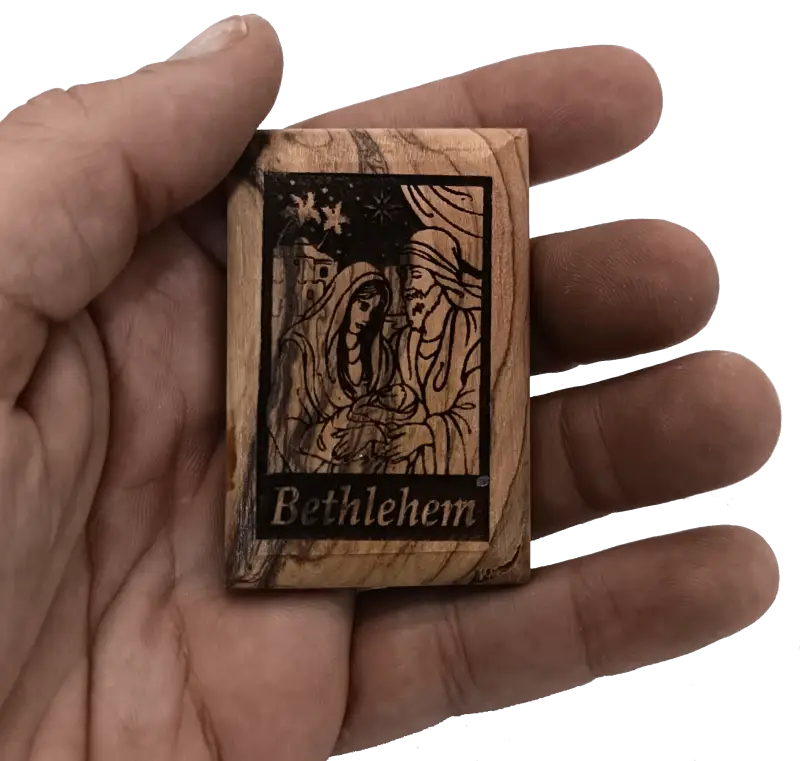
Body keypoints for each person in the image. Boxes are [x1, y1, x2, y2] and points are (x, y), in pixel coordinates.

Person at [0, 16, 781, 761]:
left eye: (426, 294)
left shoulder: (445, 355)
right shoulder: (345, 343)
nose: (410, 312)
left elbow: (442, 408)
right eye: (405, 294)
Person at [266, 261, 393, 473]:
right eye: (363, 306)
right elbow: (285, 425)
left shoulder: (381, 356)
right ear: (344, 298)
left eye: (375, 311)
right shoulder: (302, 348)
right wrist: (332, 427)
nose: (367, 318)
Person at [384, 226, 483, 473]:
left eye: (417, 274)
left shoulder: (473, 330)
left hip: (454, 470)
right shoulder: (404, 340)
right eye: (405, 275)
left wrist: (426, 433)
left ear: (442, 276)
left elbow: (477, 407)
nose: (408, 286)